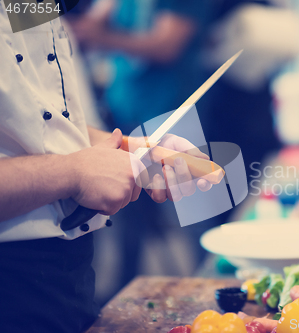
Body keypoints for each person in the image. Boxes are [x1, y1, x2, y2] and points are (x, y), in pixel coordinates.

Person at [0, 5, 210, 332]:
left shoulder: (33, 6)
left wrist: (138, 148)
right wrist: (72, 173)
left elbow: (47, 124)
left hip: (68, 274)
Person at [68, 0, 213, 293]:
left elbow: (166, 46)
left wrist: (97, 35)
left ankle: (210, 290)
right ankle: (125, 284)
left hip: (172, 113)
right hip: (122, 111)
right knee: (128, 219)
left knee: (193, 213)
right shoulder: (22, 11)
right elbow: (85, 19)